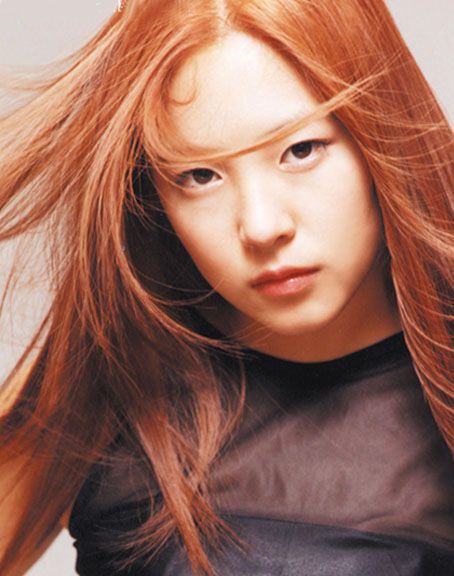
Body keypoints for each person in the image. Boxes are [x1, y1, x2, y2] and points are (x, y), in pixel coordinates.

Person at [0, 1, 453, 575]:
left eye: (301, 150)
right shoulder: (115, 363)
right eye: (200, 176)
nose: (261, 226)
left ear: (383, 135)